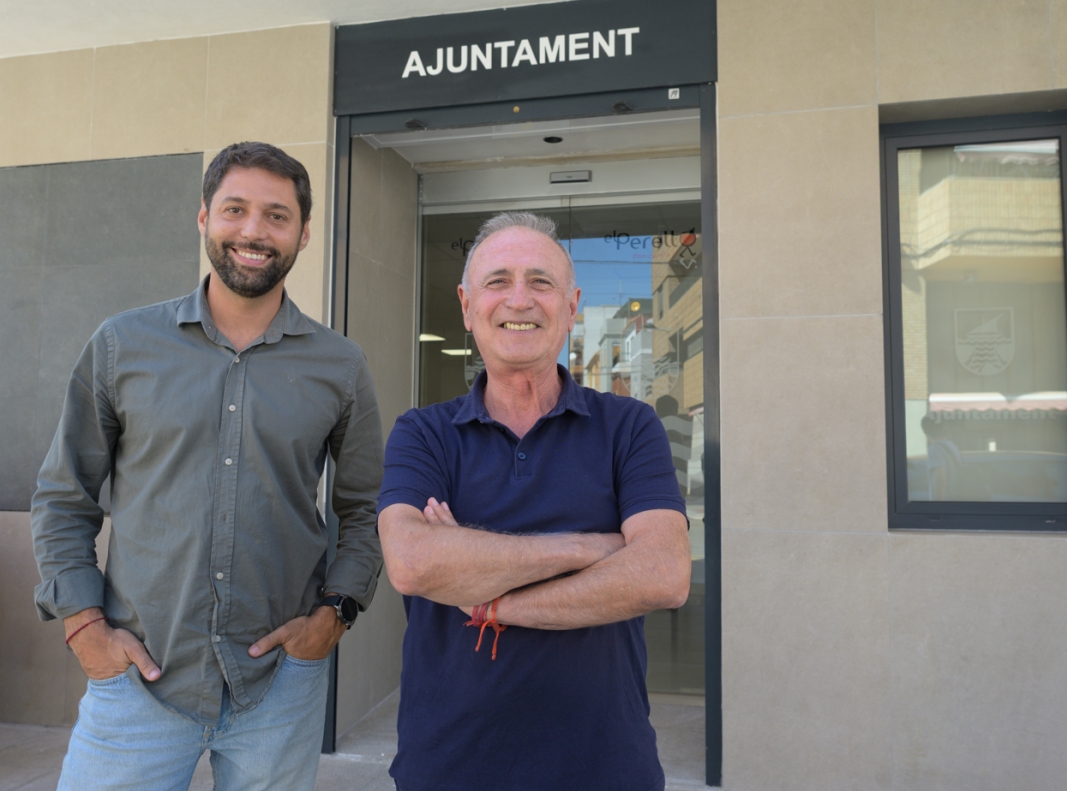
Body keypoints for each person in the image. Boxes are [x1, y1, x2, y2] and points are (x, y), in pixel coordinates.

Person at [31, 142, 385, 791]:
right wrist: (84, 624)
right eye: (235, 209)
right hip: (137, 678)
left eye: (276, 215)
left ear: (304, 233)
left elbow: (365, 507)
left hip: (278, 684)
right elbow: (64, 496)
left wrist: (335, 612)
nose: (253, 231)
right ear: (203, 219)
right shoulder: (121, 344)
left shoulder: (340, 365)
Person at [377, 212, 693, 791]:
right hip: (448, 767)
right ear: (467, 305)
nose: (518, 299)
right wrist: (593, 547)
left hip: (605, 767)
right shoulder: (422, 434)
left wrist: (491, 604)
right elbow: (413, 562)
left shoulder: (629, 426)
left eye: (540, 282)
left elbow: (664, 574)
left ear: (572, 306)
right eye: (497, 281)